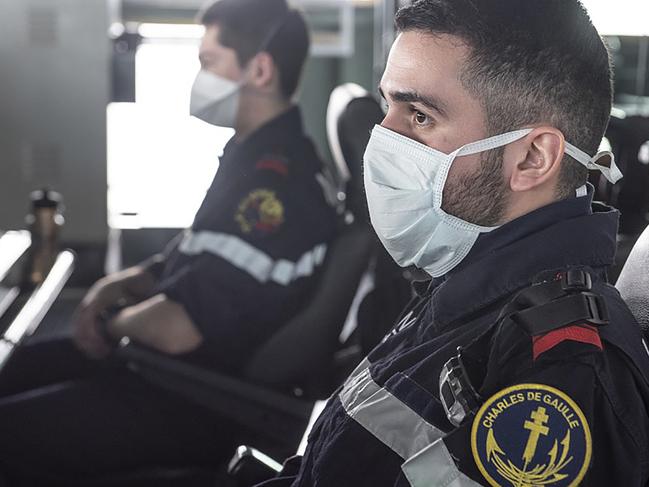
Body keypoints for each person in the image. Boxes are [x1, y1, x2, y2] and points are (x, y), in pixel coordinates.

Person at [256, 1, 649, 486]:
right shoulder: (458, 285)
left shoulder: (559, 376)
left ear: (530, 158)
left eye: (419, 116)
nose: (382, 138)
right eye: (389, 107)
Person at [0, 0, 336, 483]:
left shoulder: (275, 188)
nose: (199, 78)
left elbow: (181, 328)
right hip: (157, 370)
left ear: (260, 70)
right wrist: (115, 286)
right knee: (14, 366)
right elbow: (194, 256)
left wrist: (112, 323)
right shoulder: (252, 156)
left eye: (209, 62)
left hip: (193, 396)